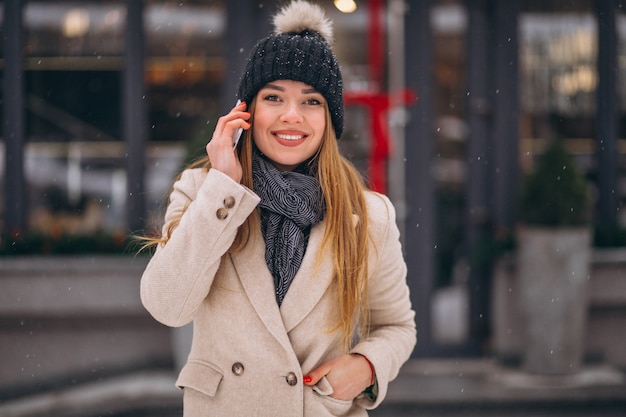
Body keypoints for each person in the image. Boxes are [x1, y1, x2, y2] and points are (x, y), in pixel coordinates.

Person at [140, 1, 416, 416]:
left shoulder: (369, 215)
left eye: (311, 102)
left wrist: (364, 367)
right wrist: (224, 188)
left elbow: (397, 327)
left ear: (329, 118)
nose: (292, 116)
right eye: (274, 97)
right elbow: (167, 306)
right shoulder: (204, 192)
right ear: (246, 112)